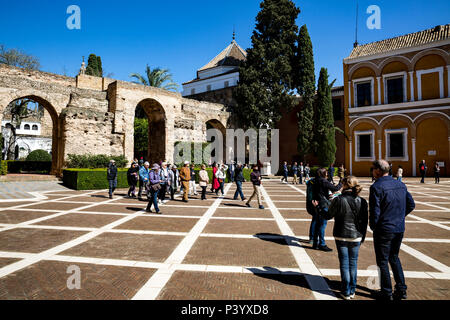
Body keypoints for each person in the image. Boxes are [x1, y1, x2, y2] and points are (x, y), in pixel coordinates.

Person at [370, 159, 415, 300]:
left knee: (382, 260)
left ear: (378, 170)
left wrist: (374, 226)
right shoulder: (400, 184)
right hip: (399, 228)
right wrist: (399, 217)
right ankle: (401, 289)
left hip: (384, 229)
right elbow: (411, 204)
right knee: (394, 257)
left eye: (373, 168)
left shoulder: (376, 187)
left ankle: (386, 291)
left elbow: (375, 212)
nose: (372, 171)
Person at [324, 176, 368, 300]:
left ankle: (346, 291)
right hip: (356, 236)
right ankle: (352, 291)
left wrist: (318, 207)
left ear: (344, 185)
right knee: (353, 263)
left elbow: (328, 215)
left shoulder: (339, 200)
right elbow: (365, 222)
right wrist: (362, 237)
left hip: (341, 234)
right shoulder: (362, 201)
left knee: (344, 263)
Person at [311, 168, 342, 252]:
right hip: (323, 204)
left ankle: (315, 243)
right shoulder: (323, 181)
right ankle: (322, 244)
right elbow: (335, 188)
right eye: (326, 173)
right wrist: (341, 182)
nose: (327, 174)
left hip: (316, 203)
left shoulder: (315, 180)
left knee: (318, 224)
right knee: (322, 225)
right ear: (323, 174)